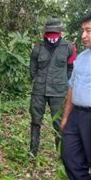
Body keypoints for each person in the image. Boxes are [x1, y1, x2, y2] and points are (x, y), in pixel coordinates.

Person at [29, 17, 77, 156]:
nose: (52, 36)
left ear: (60, 32)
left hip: (59, 92)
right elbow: (32, 67)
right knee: (35, 120)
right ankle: (33, 151)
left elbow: (71, 68)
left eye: (55, 32)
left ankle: (61, 153)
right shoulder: (38, 47)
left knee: (59, 122)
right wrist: (37, 80)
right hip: (39, 91)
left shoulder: (68, 47)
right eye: (49, 32)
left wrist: (63, 82)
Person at [61, 14, 91, 180]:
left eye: (88, 31)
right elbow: (72, 87)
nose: (83, 35)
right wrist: (66, 117)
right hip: (76, 116)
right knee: (70, 158)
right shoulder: (81, 57)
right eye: (83, 31)